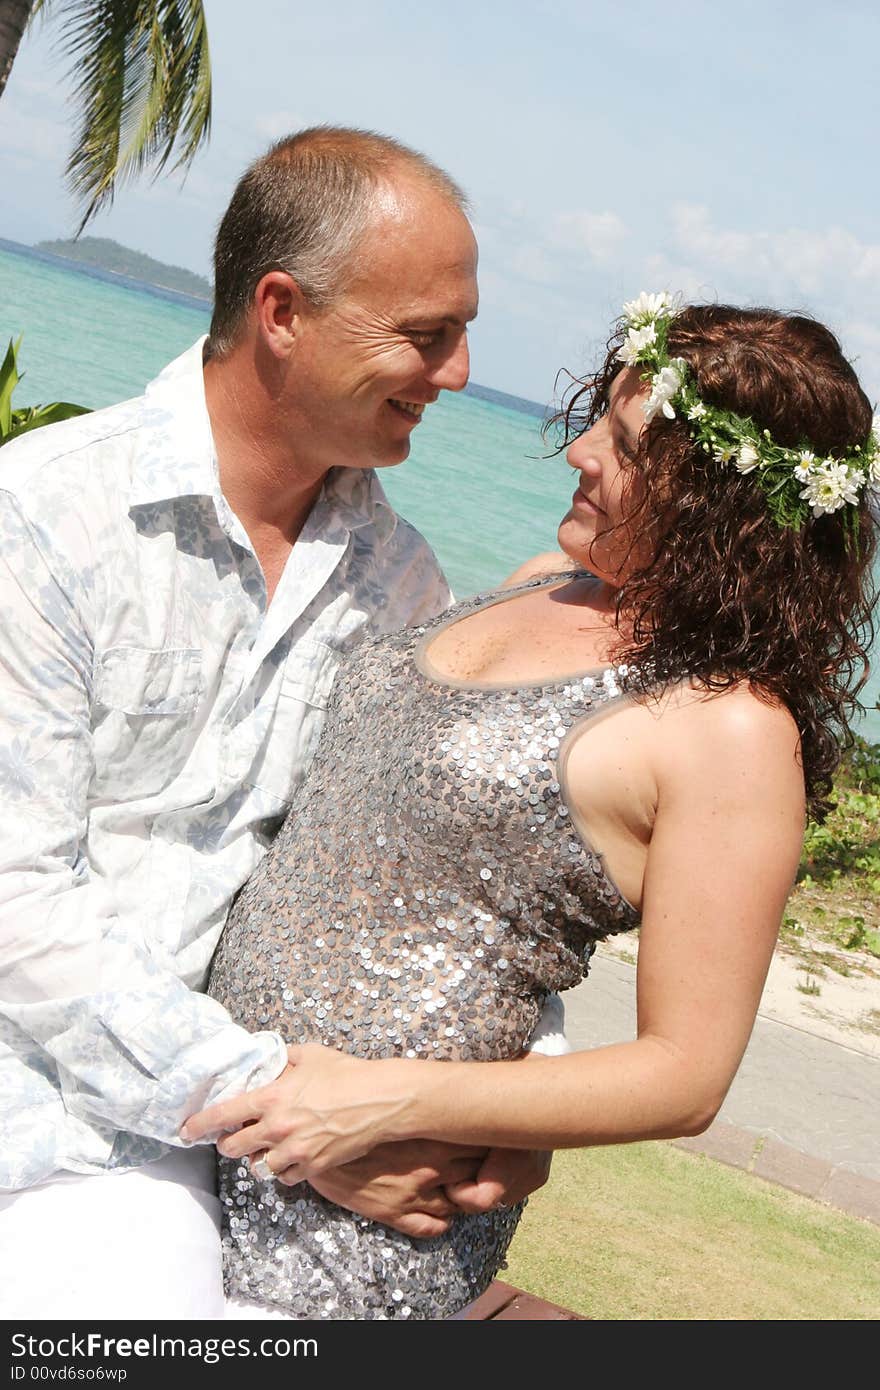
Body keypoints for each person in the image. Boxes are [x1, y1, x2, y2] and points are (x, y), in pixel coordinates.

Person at [186, 293, 878, 1319]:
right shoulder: (538, 581)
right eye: (598, 414)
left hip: (368, 1201)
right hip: (206, 1094)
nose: (580, 453)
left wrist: (387, 1100)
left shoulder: (728, 729)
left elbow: (683, 1074)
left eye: (630, 445)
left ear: (723, 507)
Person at [0, 127, 557, 1321]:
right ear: (282, 310)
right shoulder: (45, 517)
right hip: (59, 1128)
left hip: (202, 1164)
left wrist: (510, 1100)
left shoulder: (400, 586)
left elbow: (453, 878)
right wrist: (287, 1113)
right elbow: (16, 900)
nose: (456, 374)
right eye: (427, 332)